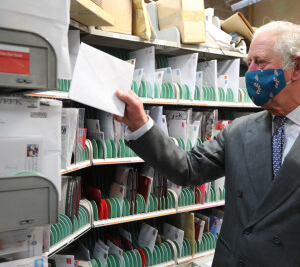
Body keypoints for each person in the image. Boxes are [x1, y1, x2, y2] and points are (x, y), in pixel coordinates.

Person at [113, 21, 300, 267]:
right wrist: (141, 125)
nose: (251, 73)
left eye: (260, 62)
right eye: (248, 64)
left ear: (296, 68)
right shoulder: (240, 131)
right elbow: (187, 168)